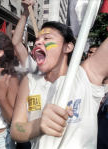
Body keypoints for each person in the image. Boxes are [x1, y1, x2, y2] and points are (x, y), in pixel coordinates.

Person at [10, 1, 108, 148]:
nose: (38, 43)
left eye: (47, 38)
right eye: (37, 40)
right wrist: (38, 125)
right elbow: (16, 130)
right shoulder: (30, 81)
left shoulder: (86, 76)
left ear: (68, 47)